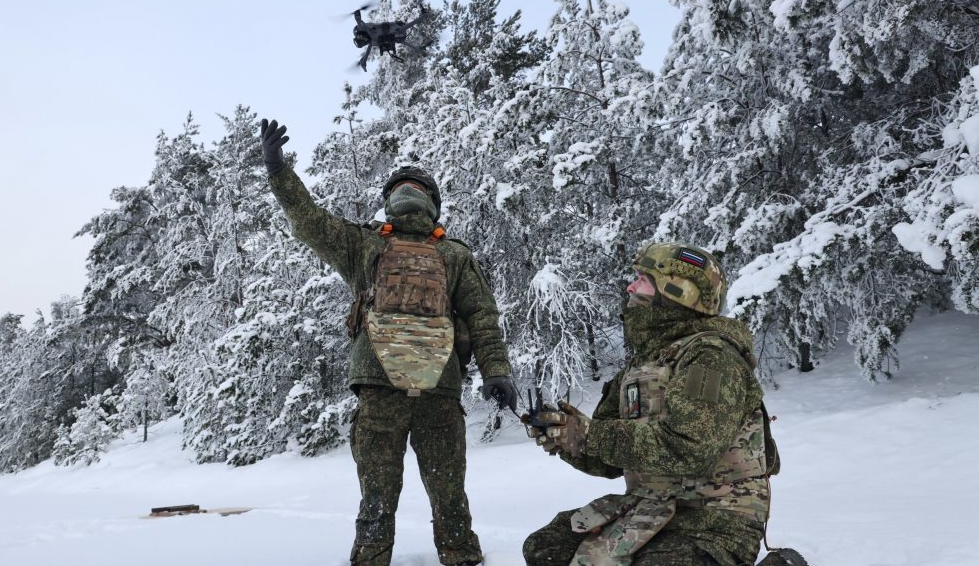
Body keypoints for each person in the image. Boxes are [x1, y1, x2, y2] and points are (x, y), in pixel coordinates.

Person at [260, 119, 518, 566]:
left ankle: (371, 559)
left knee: (377, 497)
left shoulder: (364, 245)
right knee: (449, 495)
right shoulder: (453, 254)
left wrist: (277, 169)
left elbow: (308, 219)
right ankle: (461, 558)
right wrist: (496, 371)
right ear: (433, 205)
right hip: (439, 389)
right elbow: (482, 317)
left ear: (389, 204)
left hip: (378, 390)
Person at [522, 242, 789, 566]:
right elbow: (609, 463)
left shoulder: (711, 358)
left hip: (715, 518)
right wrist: (568, 437)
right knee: (546, 548)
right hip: (649, 507)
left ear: (679, 291)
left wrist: (591, 434)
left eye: (643, 280)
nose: (630, 287)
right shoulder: (640, 367)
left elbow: (689, 450)